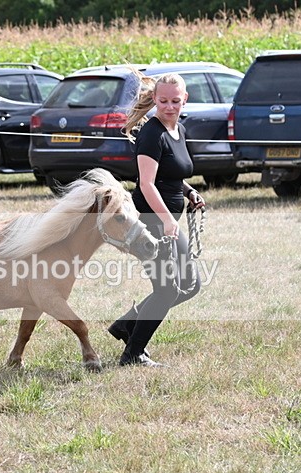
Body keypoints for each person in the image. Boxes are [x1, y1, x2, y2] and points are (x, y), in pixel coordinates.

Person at [108, 72, 206, 367]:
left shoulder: (179, 130)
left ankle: (127, 325)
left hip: (168, 223)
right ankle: (133, 353)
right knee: (167, 290)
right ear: (154, 99)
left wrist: (189, 192)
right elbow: (147, 184)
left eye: (175, 101)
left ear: (184, 99)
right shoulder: (152, 134)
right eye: (163, 101)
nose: (169, 107)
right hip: (152, 224)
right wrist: (166, 220)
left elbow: (171, 174)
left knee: (190, 284)